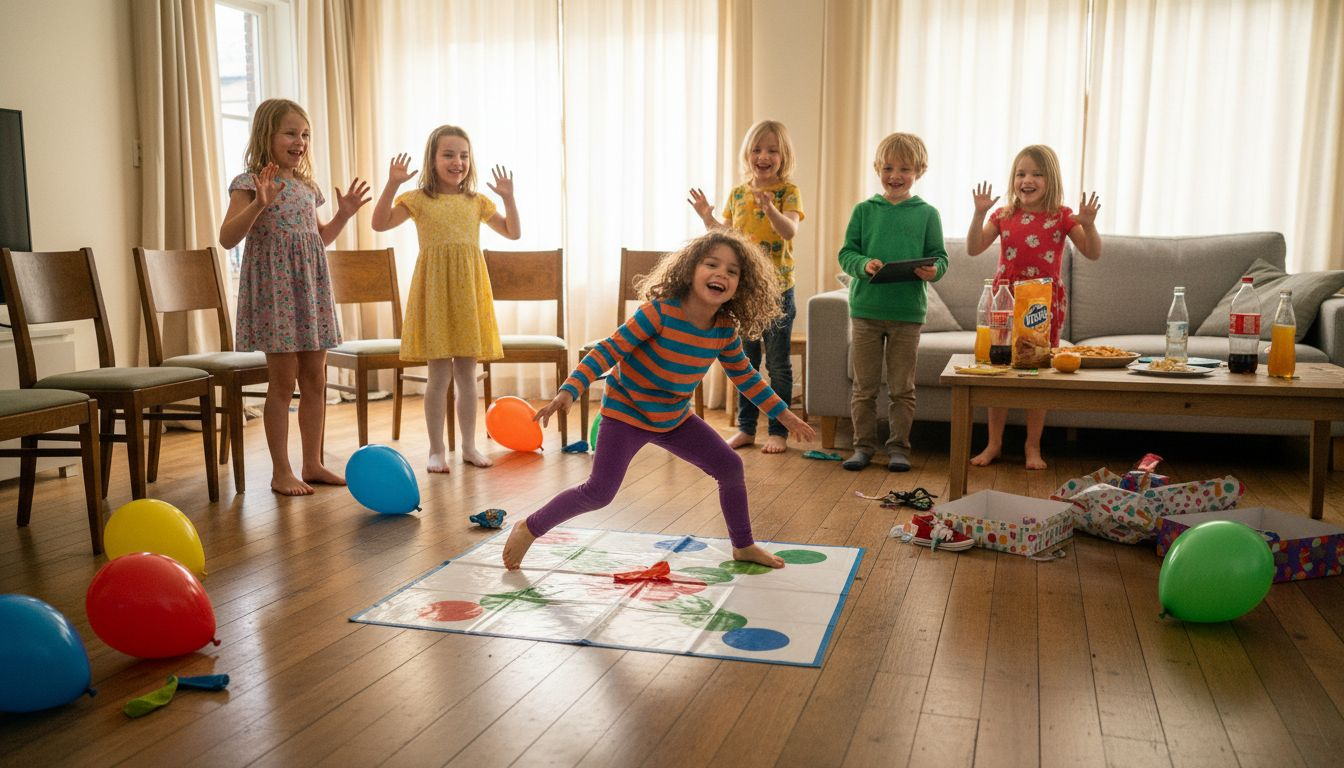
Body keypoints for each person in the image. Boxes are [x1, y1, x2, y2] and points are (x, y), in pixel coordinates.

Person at [503, 230, 816, 570]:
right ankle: (529, 528)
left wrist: (785, 417)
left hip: (673, 419)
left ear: (741, 285)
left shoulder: (724, 329)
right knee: (599, 492)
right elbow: (608, 349)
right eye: (712, 264)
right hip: (626, 414)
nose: (721, 274)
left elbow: (747, 377)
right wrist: (570, 389)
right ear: (690, 270)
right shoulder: (659, 313)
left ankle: (743, 545)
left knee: (730, 467)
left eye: (732, 271)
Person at [219, 98, 371, 496]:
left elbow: (319, 237)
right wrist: (259, 204)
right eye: (290, 132)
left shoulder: (307, 187)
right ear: (265, 135)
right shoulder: (249, 183)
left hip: (310, 288)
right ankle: (280, 471)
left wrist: (345, 214)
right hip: (276, 292)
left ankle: (312, 462)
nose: (299, 141)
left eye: (304, 134)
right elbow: (227, 238)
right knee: (282, 382)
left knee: (316, 379)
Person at [370, 125, 521, 473]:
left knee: (467, 375)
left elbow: (513, 232)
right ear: (432, 159)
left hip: (468, 292)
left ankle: (468, 445)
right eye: (449, 155)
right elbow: (379, 224)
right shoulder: (419, 200)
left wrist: (509, 198)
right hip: (435, 293)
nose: (458, 162)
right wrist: (392, 183)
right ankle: (436, 450)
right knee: (438, 376)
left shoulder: (477, 202)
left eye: (464, 155)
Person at [966, 144, 1102, 469]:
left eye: (1036, 174)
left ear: (1050, 179)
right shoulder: (1003, 215)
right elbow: (973, 248)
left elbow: (1092, 252)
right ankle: (994, 443)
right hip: (1005, 299)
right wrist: (978, 213)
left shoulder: (1062, 215)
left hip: (1042, 303)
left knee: (1036, 372)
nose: (1027, 180)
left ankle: (1032, 447)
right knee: (1000, 371)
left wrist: (1090, 223)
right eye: (1021, 173)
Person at [687, 120, 805, 455]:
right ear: (747, 155)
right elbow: (727, 237)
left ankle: (778, 430)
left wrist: (769, 207)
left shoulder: (787, 192)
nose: (763, 156)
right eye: (757, 149)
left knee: (778, 364)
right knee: (745, 363)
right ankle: (747, 428)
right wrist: (707, 218)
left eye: (771, 150)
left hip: (779, 291)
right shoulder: (738, 193)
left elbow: (789, 231)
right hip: (744, 294)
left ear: (783, 156)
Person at [837, 133, 948, 473]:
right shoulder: (864, 211)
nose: (895, 175)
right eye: (887, 167)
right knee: (864, 387)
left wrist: (933, 271)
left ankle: (899, 448)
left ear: (919, 171)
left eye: (904, 168)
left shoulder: (928, 214)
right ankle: (862, 447)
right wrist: (863, 264)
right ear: (877, 169)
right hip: (867, 311)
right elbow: (846, 254)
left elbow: (940, 259)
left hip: (907, 315)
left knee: (902, 388)